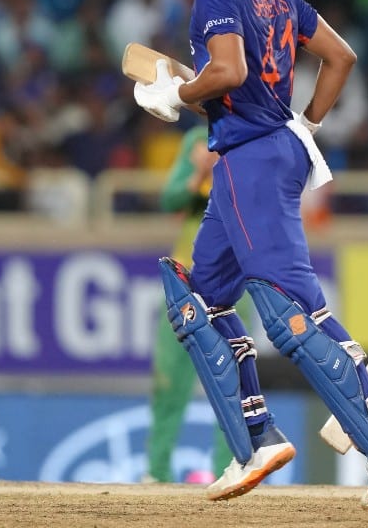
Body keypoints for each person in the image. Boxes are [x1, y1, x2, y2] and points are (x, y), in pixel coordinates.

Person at [129, 0, 368, 510]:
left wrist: (174, 96)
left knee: (290, 315)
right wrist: (309, 123)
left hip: (249, 159)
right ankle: (256, 439)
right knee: (198, 305)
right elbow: (340, 58)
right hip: (276, 148)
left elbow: (229, 72)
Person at [142, 123, 234, 484]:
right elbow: (171, 201)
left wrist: (218, 168)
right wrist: (199, 170)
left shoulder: (253, 136)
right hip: (184, 282)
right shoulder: (198, 140)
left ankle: (230, 467)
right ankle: (157, 471)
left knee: (230, 382)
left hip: (229, 283)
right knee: (169, 382)